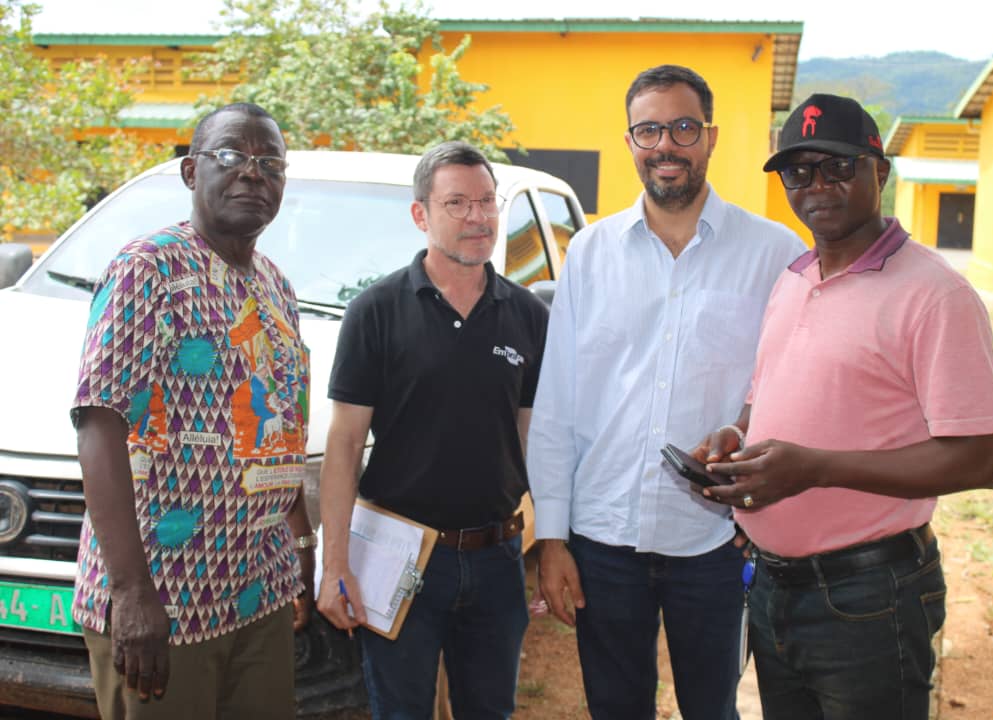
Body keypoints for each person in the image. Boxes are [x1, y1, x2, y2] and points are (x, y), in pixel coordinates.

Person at [695, 93, 993, 720]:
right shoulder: (794, 278)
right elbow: (766, 399)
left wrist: (814, 468)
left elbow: (979, 458)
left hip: (871, 598)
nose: (817, 185)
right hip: (774, 588)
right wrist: (735, 435)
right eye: (798, 170)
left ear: (879, 172)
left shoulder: (934, 294)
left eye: (837, 166)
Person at [526, 64, 805, 720]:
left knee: (714, 709)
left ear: (710, 138)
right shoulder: (589, 254)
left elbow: (796, 385)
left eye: (683, 128)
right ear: (630, 142)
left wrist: (759, 506)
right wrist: (553, 538)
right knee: (617, 710)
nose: (666, 146)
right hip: (603, 538)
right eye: (649, 129)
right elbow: (558, 402)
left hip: (713, 543)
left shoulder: (775, 253)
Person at [72, 102, 315, 720]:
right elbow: (99, 422)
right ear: (190, 172)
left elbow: (281, 423)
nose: (252, 175)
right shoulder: (145, 269)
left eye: (270, 164)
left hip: (256, 591)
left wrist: (297, 540)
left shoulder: (276, 286)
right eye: (231, 156)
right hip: (164, 602)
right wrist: (130, 592)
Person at [316, 140, 548, 719]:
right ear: (421, 214)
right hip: (398, 554)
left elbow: (535, 443)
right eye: (458, 203)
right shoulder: (376, 311)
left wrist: (548, 548)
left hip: (497, 559)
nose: (479, 217)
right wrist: (335, 564)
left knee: (490, 711)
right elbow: (343, 447)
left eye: (488, 202)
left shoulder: (528, 316)